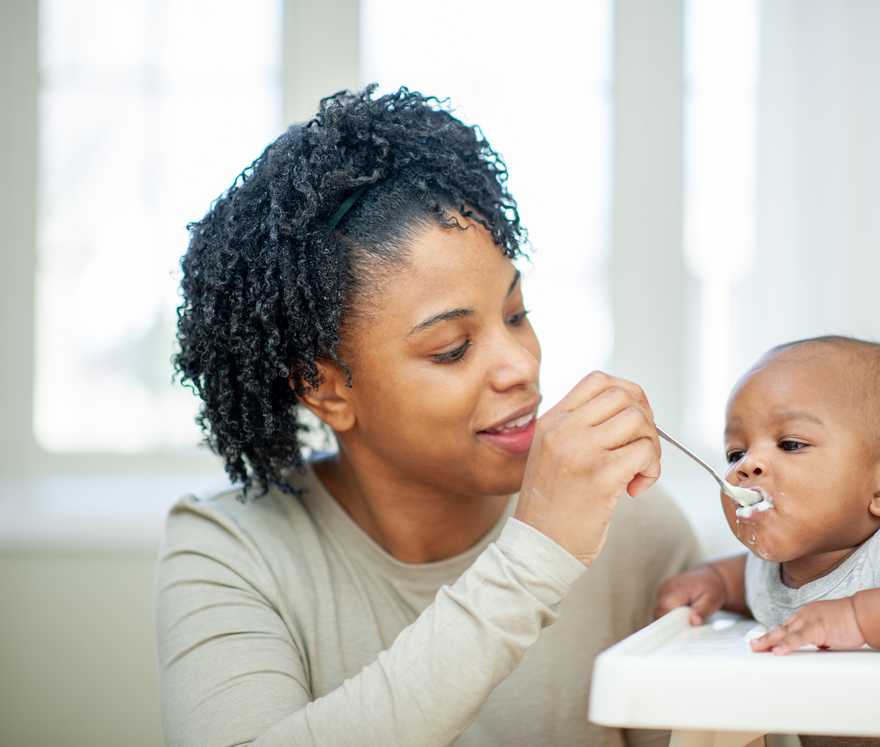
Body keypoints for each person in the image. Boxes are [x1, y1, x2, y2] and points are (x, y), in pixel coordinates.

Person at [158, 85, 700, 746]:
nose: (520, 365)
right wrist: (537, 555)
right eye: (452, 348)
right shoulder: (232, 549)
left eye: (516, 314)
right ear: (327, 390)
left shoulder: (633, 525)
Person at [655, 335, 880, 655]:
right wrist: (709, 584)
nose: (746, 465)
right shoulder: (768, 570)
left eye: (791, 444)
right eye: (736, 453)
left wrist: (857, 618)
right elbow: (734, 578)